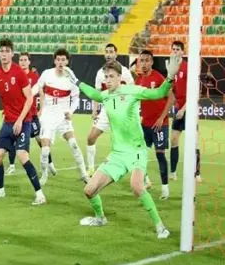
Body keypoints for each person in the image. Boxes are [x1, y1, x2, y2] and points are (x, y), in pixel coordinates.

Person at [63, 56, 181, 239]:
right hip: (118, 154)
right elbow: (94, 94)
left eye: (111, 76)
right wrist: (77, 82)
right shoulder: (105, 96)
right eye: (105, 77)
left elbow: (158, 94)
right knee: (89, 190)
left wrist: (170, 77)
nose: (107, 80)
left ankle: (160, 226)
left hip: (136, 150)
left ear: (119, 77)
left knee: (136, 187)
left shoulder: (132, 91)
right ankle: (100, 218)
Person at [0, 40, 45, 204]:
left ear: (12, 54)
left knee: (22, 155)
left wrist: (20, 120)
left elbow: (29, 98)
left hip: (23, 121)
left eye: (7, 51)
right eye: (1, 51)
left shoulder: (19, 73)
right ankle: (0, 191)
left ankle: (39, 194)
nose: (4, 54)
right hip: (8, 122)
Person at [37, 48, 87, 185]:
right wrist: (28, 94)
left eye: (63, 60)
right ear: (54, 61)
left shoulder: (71, 77)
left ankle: (84, 174)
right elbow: (37, 87)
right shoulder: (47, 74)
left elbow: (76, 98)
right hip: (48, 116)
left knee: (74, 144)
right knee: (45, 149)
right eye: (58, 59)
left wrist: (70, 111)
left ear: (67, 61)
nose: (60, 62)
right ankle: (44, 175)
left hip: (63, 117)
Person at [5, 53, 57, 176]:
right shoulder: (14, 75)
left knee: (41, 140)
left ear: (29, 62)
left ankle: (50, 163)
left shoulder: (34, 77)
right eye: (21, 60)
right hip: (17, 114)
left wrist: (41, 109)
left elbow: (41, 94)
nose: (23, 62)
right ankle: (12, 166)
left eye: (25, 60)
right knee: (13, 140)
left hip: (32, 115)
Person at [86, 44, 134, 175]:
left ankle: (143, 176)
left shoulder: (125, 72)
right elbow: (97, 93)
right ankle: (90, 169)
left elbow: (133, 91)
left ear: (116, 54)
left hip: (122, 113)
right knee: (90, 138)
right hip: (106, 112)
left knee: (129, 144)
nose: (108, 54)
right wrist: (94, 110)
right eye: (106, 52)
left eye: (111, 52)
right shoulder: (100, 73)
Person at [135, 50, 173, 200]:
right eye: (141, 60)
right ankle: (145, 181)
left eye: (146, 60)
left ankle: (165, 189)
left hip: (159, 125)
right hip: (145, 125)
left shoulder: (158, 77)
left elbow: (171, 98)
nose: (144, 64)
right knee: (139, 155)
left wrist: (161, 118)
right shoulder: (138, 81)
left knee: (160, 155)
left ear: (151, 62)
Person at [169, 41, 201, 182]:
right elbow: (174, 90)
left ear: (183, 51)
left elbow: (195, 93)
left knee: (193, 142)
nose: (175, 51)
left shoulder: (188, 68)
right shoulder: (172, 68)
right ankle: (173, 171)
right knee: (174, 139)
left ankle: (197, 173)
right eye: (173, 49)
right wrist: (176, 104)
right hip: (179, 108)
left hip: (189, 109)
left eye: (177, 49)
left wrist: (183, 109)